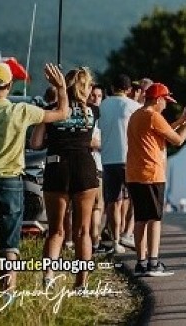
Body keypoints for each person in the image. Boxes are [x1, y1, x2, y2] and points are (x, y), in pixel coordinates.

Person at [0, 62, 67, 302]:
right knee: (9, 245)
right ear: (10, 85)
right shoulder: (21, 110)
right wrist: (61, 88)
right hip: (12, 184)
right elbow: (62, 114)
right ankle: (7, 298)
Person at [31, 67, 102, 291]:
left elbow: (35, 144)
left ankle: (48, 278)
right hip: (84, 167)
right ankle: (81, 282)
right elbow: (95, 141)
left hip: (56, 166)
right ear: (84, 87)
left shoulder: (50, 110)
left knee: (56, 230)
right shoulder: (92, 112)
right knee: (83, 230)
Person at [126, 82, 186, 277]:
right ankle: (153, 262)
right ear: (157, 100)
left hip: (134, 174)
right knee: (155, 219)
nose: (166, 105)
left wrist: (180, 121)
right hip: (151, 174)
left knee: (141, 219)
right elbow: (177, 140)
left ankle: (141, 262)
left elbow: (163, 132)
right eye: (165, 101)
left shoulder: (137, 115)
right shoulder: (153, 116)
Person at [98, 74, 140, 253]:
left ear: (111, 87)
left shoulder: (102, 106)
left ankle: (115, 240)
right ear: (129, 90)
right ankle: (130, 234)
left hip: (108, 160)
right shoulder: (135, 107)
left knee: (113, 202)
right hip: (130, 159)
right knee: (136, 200)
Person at [87, 84, 105, 254]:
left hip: (99, 166)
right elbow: (91, 141)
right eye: (92, 95)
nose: (95, 98)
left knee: (97, 207)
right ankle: (93, 241)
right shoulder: (87, 115)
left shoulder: (103, 116)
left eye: (99, 96)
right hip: (90, 166)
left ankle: (94, 240)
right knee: (94, 207)